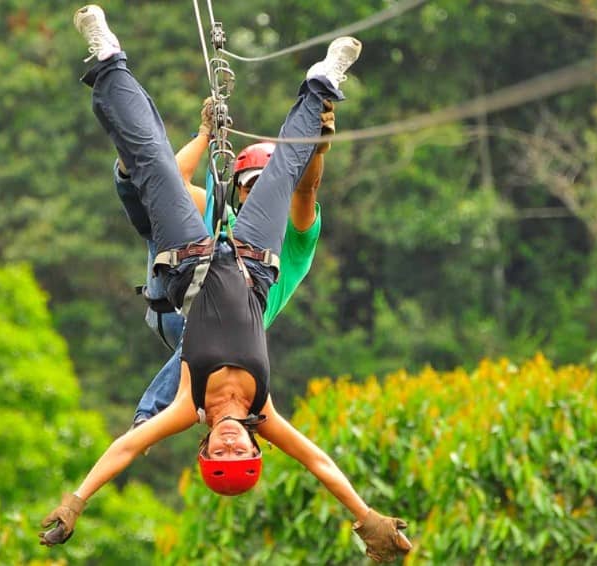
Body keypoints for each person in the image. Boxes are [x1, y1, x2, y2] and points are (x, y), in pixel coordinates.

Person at [40, 6, 412, 563]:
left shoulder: (188, 403)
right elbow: (319, 463)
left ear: (207, 447)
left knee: (148, 163)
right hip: (253, 257)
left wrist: (76, 502)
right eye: (243, 454)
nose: (233, 444)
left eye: (223, 453)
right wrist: (367, 518)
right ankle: (323, 83)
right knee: (284, 170)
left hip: (188, 255)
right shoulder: (266, 410)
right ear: (256, 447)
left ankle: (108, 59)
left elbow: (127, 447)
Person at [123, 108, 335, 426]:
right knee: (157, 214)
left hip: (224, 331)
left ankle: (150, 414)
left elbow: (306, 189)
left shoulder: (294, 238)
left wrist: (315, 146)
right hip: (173, 300)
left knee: (208, 321)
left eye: (266, 188)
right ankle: (125, 171)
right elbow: (172, 185)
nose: (256, 198)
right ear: (238, 190)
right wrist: (205, 133)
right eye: (250, 188)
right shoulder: (226, 218)